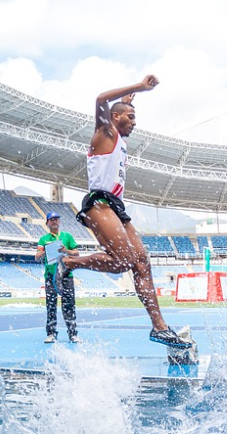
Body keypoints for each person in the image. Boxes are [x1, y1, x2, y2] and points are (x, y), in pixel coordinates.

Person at [57, 76, 192, 349]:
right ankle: (69, 263)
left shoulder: (118, 137)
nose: (134, 121)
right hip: (99, 203)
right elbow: (100, 100)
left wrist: (130, 101)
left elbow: (118, 106)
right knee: (122, 261)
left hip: (117, 207)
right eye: (129, 116)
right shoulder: (104, 133)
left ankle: (159, 327)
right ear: (114, 117)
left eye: (134, 117)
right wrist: (138, 87)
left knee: (142, 262)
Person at [36, 211, 80, 343]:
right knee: (51, 305)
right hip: (51, 276)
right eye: (51, 219)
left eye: (56, 219)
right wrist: (43, 252)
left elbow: (76, 253)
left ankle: (72, 334)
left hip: (66, 275)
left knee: (69, 305)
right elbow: (37, 256)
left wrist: (66, 251)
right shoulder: (43, 239)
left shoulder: (67, 236)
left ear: (59, 221)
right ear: (47, 223)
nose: (54, 221)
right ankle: (51, 334)